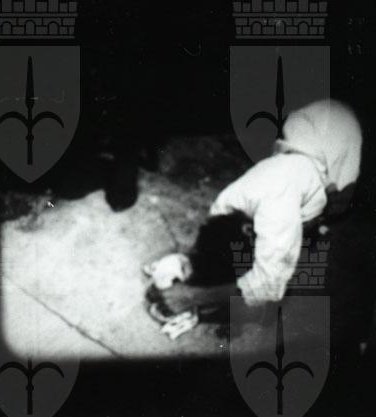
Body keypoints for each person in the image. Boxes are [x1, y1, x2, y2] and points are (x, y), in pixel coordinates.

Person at [150, 99, 363, 314]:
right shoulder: (231, 200)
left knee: (331, 212)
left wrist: (191, 298)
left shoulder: (279, 212)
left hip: (342, 136)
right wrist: (189, 261)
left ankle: (318, 224)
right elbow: (215, 227)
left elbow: (270, 287)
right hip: (307, 126)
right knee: (262, 246)